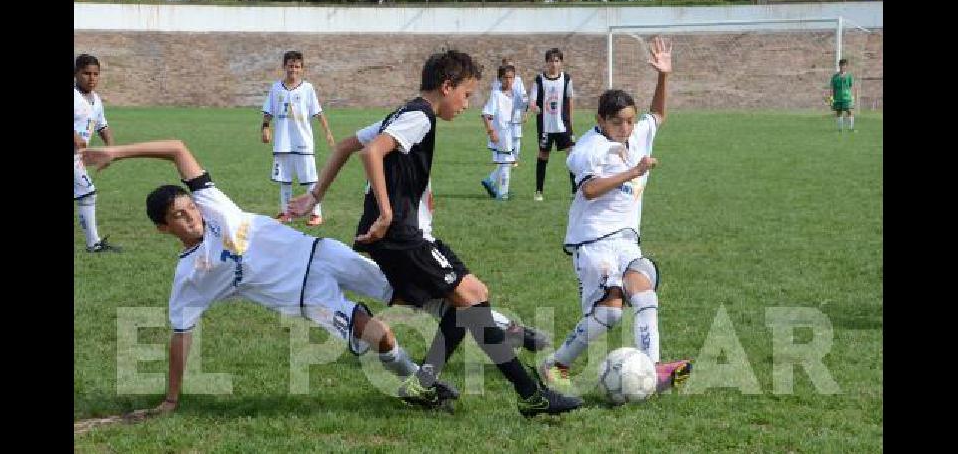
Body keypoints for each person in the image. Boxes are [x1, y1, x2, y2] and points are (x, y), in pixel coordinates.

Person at [288, 50, 582, 417]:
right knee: (472, 297)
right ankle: (530, 396)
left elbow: (349, 145)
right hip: (399, 235)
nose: (466, 104)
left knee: (468, 302)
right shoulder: (421, 117)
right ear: (447, 87)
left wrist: (315, 195)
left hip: (398, 235)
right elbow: (371, 154)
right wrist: (386, 210)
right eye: (466, 94)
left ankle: (424, 383)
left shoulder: (404, 112)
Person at [79, 139, 457, 417]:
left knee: (412, 291)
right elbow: (180, 337)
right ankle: (418, 386)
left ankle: (493, 325)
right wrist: (171, 399)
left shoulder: (213, 206)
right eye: (179, 215)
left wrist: (116, 152)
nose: (192, 215)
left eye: (189, 206)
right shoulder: (190, 278)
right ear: (163, 229)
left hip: (320, 253)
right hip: (307, 299)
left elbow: (178, 148)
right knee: (381, 334)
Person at [540, 37, 693, 394]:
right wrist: (634, 172)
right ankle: (556, 363)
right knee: (610, 312)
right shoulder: (587, 150)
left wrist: (663, 77)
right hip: (593, 240)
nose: (626, 128)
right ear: (600, 120)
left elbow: (657, 115)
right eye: (618, 122)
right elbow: (589, 190)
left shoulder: (637, 135)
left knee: (644, 294)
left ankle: (653, 370)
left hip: (626, 239)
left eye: (628, 120)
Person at [261, 50, 336, 225]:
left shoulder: (308, 88)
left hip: (303, 142)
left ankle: (316, 214)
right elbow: (268, 111)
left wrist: (328, 132)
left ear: (302, 68)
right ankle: (286, 213)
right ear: (284, 66)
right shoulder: (275, 88)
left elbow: (318, 112)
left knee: (311, 180)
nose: (293, 69)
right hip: (282, 142)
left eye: (297, 66)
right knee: (284, 180)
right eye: (290, 66)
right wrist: (265, 127)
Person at [74, 53, 120, 253]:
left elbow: (102, 126)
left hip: (78, 157)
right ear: (76, 74)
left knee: (86, 193)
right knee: (87, 192)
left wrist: (111, 149)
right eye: (86, 73)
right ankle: (93, 245)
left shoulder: (96, 100)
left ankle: (94, 244)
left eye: (95, 74)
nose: (91, 78)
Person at [526, 48, 577, 201]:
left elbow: (570, 100)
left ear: (561, 63)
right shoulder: (539, 80)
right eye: (551, 61)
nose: (554, 64)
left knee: (572, 155)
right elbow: (532, 100)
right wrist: (534, 107)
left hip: (563, 126)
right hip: (546, 126)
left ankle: (575, 190)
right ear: (546, 62)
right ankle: (538, 191)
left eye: (556, 61)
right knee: (543, 155)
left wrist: (571, 123)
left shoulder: (566, 79)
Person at [480, 64, 529, 200]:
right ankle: (502, 194)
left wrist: (529, 111)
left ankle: (495, 186)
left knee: (507, 162)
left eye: (511, 78)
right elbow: (486, 115)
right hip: (501, 134)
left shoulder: (516, 95)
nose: (508, 81)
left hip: (512, 133)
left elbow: (525, 106)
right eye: (505, 78)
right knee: (506, 164)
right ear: (500, 79)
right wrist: (491, 132)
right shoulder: (496, 95)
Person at [489, 58, 528, 165]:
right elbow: (494, 96)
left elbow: (524, 98)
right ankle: (497, 158)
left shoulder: (518, 80)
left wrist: (525, 112)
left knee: (516, 136)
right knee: (500, 135)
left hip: (515, 114)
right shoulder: (497, 81)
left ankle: (515, 158)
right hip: (501, 114)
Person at [828, 58, 856, 132]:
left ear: (846, 66)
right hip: (837, 98)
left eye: (844, 65)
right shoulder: (835, 77)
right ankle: (840, 129)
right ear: (839, 66)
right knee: (839, 112)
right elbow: (831, 88)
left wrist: (853, 97)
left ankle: (851, 129)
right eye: (841, 65)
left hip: (847, 98)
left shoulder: (849, 76)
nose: (842, 67)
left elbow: (851, 87)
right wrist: (831, 99)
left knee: (849, 111)